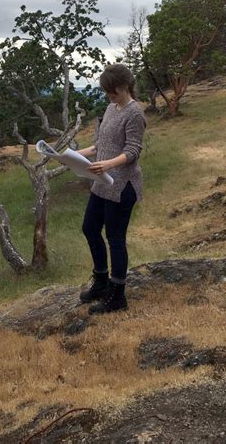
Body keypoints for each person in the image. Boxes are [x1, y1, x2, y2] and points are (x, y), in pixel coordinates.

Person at [77, 63, 146, 314]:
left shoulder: (135, 113)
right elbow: (98, 146)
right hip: (102, 184)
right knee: (90, 228)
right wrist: (69, 155)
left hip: (122, 185)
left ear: (124, 86)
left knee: (115, 239)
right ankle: (101, 281)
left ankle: (117, 296)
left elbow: (133, 150)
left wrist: (107, 164)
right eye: (107, 91)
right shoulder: (110, 108)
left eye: (112, 91)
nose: (109, 95)